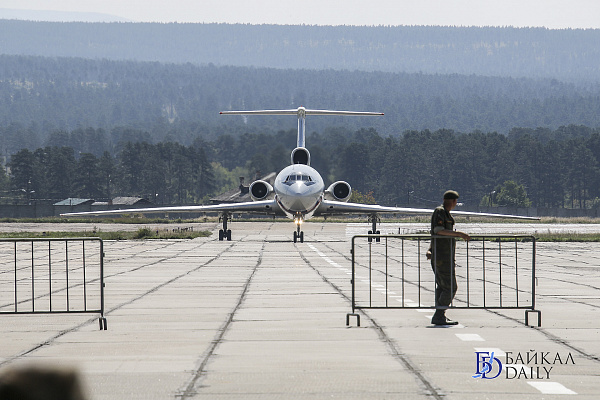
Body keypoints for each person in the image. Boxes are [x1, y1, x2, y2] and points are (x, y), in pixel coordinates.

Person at [429, 190, 470, 326]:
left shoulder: (445, 213)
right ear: (453, 201)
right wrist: (459, 234)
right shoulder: (440, 212)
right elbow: (438, 230)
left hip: (445, 255)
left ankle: (440, 315)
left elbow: (435, 233)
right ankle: (439, 314)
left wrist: (430, 249)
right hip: (442, 256)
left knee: (442, 287)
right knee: (451, 287)